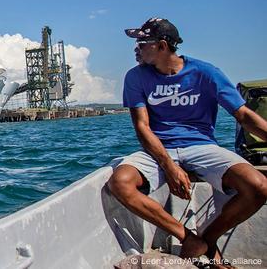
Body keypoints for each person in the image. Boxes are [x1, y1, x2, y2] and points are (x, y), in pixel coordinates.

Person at [106, 17, 267, 266]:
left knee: (258, 186)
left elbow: (243, 115)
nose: (136, 49)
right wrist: (169, 166)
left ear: (162, 46)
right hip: (158, 149)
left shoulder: (206, 73)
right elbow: (142, 127)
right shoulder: (135, 77)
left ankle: (207, 238)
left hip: (202, 146)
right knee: (120, 182)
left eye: (142, 43)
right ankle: (188, 237)